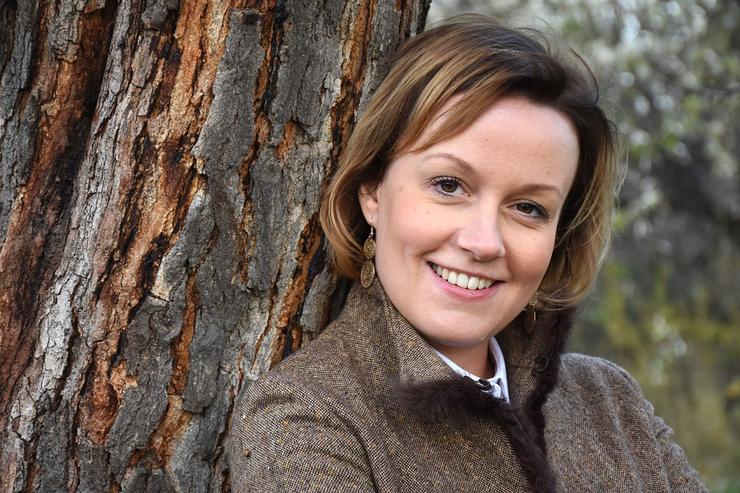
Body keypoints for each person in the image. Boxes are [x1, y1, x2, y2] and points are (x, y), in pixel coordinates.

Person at [228, 14, 706, 492]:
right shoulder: (306, 420)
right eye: (449, 185)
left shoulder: (610, 400)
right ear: (373, 189)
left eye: (528, 208)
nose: (483, 242)